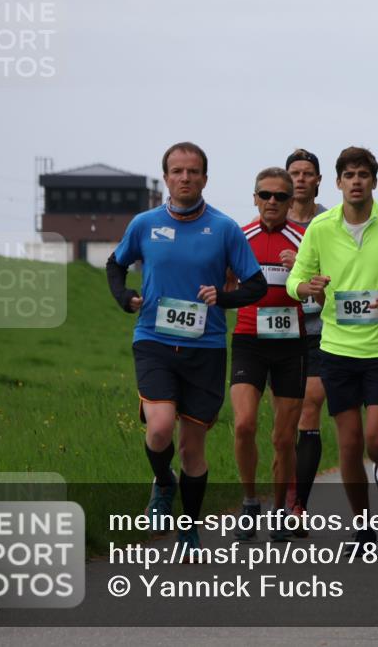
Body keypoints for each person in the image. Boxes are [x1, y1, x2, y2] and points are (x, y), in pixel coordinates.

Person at [105, 142, 267, 552]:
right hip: (154, 340)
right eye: (177, 171)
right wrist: (124, 297)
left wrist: (222, 297)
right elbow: (115, 264)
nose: (185, 178)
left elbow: (256, 285)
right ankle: (163, 482)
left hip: (205, 348)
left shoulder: (224, 228)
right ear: (166, 177)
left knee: (193, 449)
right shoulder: (144, 224)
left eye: (193, 171)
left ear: (205, 179)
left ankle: (189, 531)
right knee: (160, 428)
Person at [286, 146, 378, 545]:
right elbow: (295, 278)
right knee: (349, 446)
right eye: (349, 175)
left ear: (373, 181)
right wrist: (306, 287)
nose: (356, 182)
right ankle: (363, 526)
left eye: (363, 175)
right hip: (336, 350)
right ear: (337, 183)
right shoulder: (321, 228)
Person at [230, 167, 307, 542]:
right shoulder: (240, 237)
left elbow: (325, 293)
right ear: (255, 198)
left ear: (291, 201)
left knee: (283, 437)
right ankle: (249, 502)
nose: (272, 201)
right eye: (265, 195)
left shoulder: (306, 240)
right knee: (244, 424)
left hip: (291, 344)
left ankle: (279, 510)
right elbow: (223, 284)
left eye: (280, 196)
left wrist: (302, 271)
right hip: (249, 340)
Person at [284, 149, 329, 536]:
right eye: (294, 173)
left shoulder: (332, 222)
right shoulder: (271, 219)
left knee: (310, 407)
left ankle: (298, 504)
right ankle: (280, 498)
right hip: (277, 332)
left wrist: (300, 265)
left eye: (307, 173)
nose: (300, 179)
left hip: (319, 331)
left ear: (318, 180)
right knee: (284, 420)